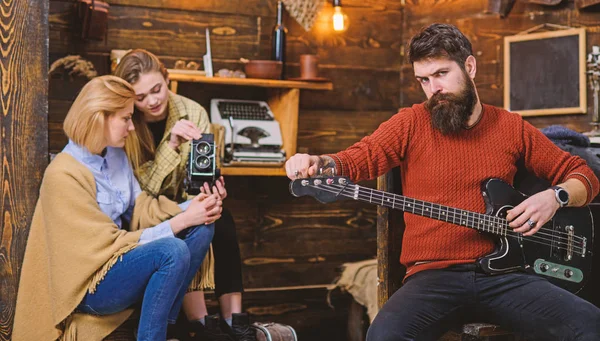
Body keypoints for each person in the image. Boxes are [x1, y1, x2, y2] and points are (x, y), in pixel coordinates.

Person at [285, 23, 600, 340]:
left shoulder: (510, 127)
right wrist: (319, 163)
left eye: (441, 74)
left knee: (591, 324)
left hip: (506, 277)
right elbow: (359, 157)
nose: (433, 88)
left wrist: (554, 197)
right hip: (433, 278)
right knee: (383, 337)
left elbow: (583, 175)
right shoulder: (410, 123)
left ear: (470, 67)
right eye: (424, 79)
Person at [12, 75, 222, 341]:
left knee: (202, 228)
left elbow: (140, 209)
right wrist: (179, 222)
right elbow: (104, 245)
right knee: (172, 249)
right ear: (100, 117)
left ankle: (160, 323)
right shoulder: (63, 174)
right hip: (91, 285)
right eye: (125, 118)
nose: (132, 127)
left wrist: (192, 207)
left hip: (121, 262)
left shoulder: (115, 155)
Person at [114, 49, 253, 341]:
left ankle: (234, 320)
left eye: (157, 90)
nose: (152, 101)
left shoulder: (193, 112)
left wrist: (213, 190)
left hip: (184, 199)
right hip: (146, 210)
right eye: (140, 97)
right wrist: (172, 145)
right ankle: (199, 322)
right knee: (194, 222)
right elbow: (140, 193)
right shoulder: (126, 125)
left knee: (219, 216)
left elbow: (200, 172)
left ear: (167, 80)